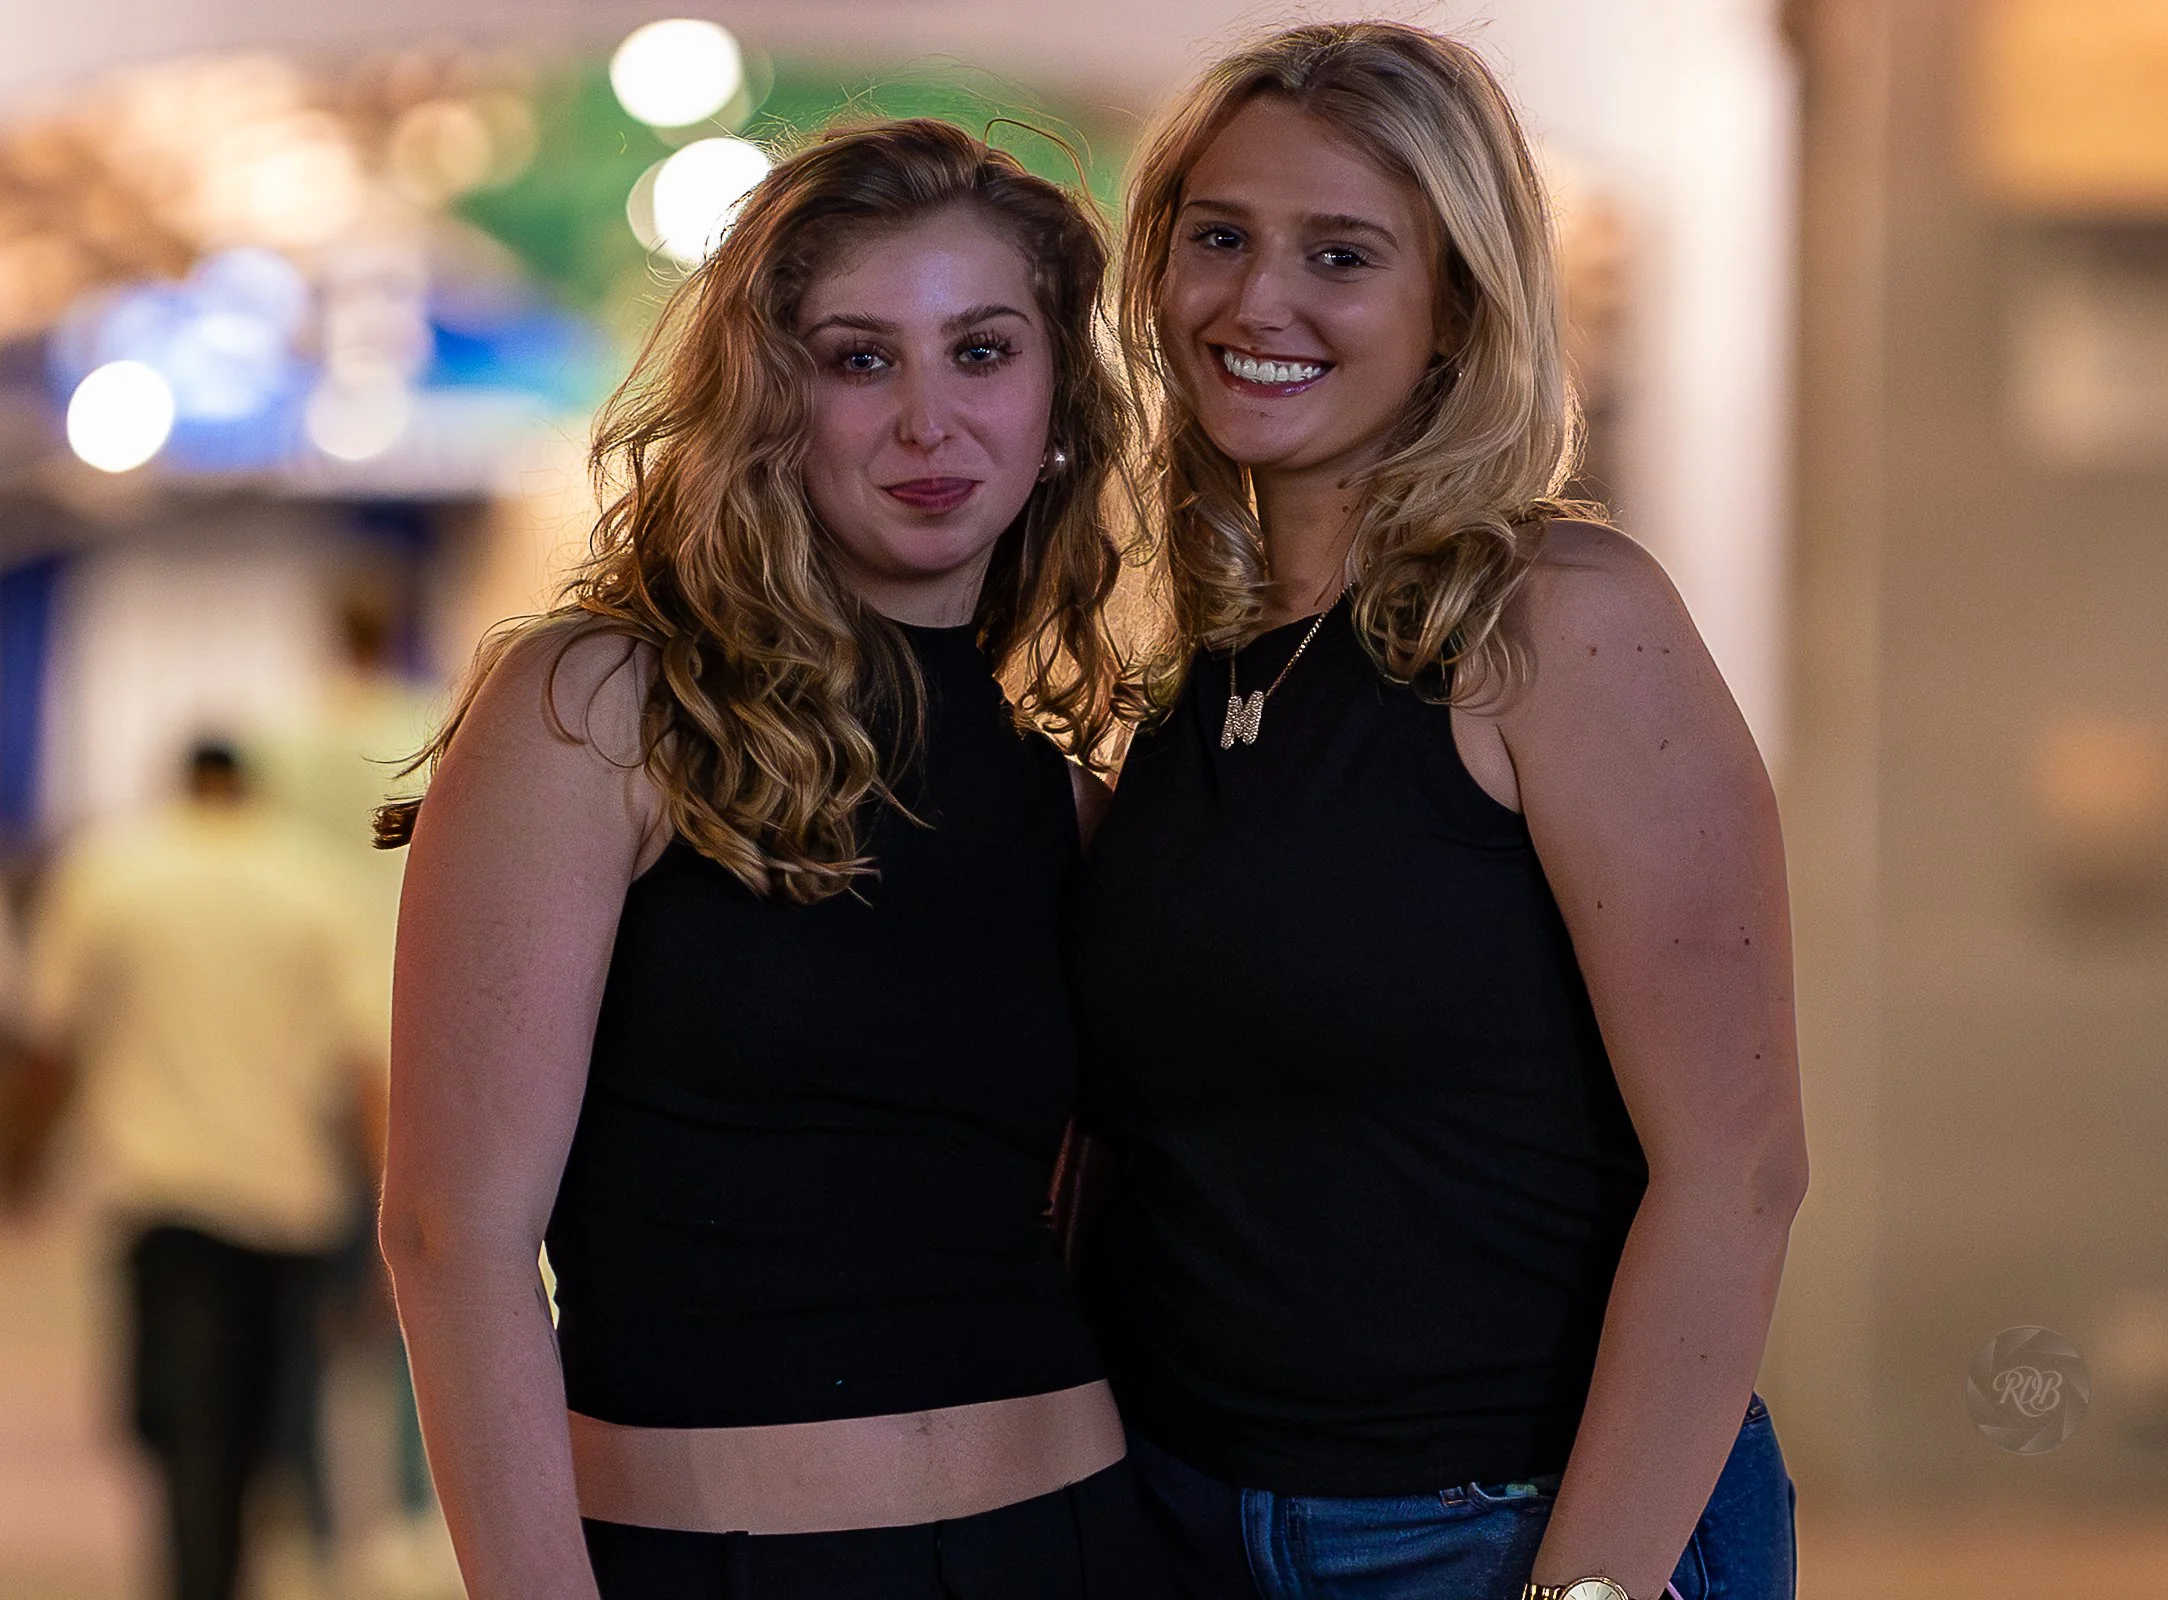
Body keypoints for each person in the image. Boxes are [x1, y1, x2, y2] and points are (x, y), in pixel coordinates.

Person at [376, 119, 1163, 1600]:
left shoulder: (1071, 803)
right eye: (859, 358)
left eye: (982, 351)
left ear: (1059, 396)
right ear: (768, 402)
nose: (929, 421)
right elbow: (448, 1235)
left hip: (1078, 1544)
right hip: (716, 1561)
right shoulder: (602, 708)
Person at [1071, 24, 1807, 1600]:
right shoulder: (1210, 668)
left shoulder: (1561, 621)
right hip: (1194, 1515)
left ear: (1458, 308)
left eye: (1340, 255)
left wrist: (1585, 1590)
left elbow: (1739, 1175)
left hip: (1496, 1530)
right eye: (1220, 238)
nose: (1257, 302)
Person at [17, 737, 388, 1600]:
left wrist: (24, 1165)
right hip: (286, 1200)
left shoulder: (109, 874)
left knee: (178, 1420)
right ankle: (217, 1565)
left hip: (160, 1197)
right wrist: (386, 1209)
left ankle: (200, 1573)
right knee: (253, 1423)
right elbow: (363, 1067)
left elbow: (52, 1042)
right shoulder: (316, 884)